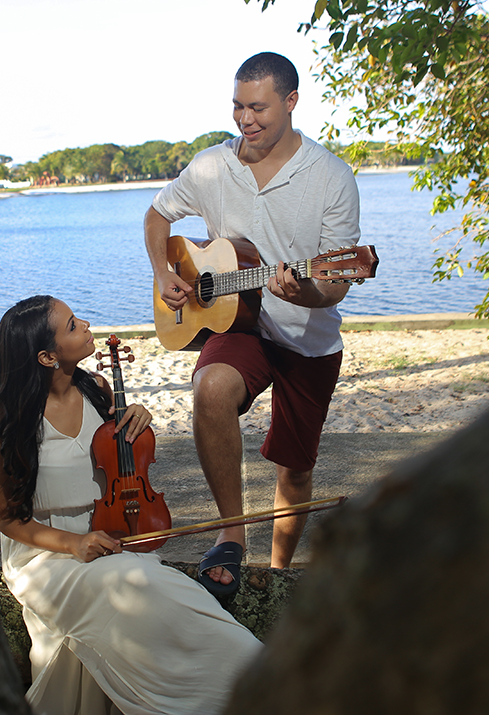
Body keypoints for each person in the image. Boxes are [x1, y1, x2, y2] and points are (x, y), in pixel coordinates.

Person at [143, 51, 361, 597]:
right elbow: (157, 215)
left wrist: (305, 288)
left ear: (290, 102)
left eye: (258, 107)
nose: (246, 120)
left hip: (308, 337)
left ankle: (280, 574)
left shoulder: (331, 176)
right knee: (210, 388)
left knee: (296, 470)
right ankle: (231, 538)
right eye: (238, 107)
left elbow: (335, 282)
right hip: (238, 325)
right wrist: (165, 270)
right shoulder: (212, 166)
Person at [0, 295, 262, 715]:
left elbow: (117, 460)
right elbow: (8, 519)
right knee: (139, 583)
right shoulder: (10, 422)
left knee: (166, 595)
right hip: (46, 555)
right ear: (46, 356)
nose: (87, 324)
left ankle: (255, 677)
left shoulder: (96, 389)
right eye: (73, 325)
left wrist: (134, 419)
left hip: (111, 536)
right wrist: (73, 545)